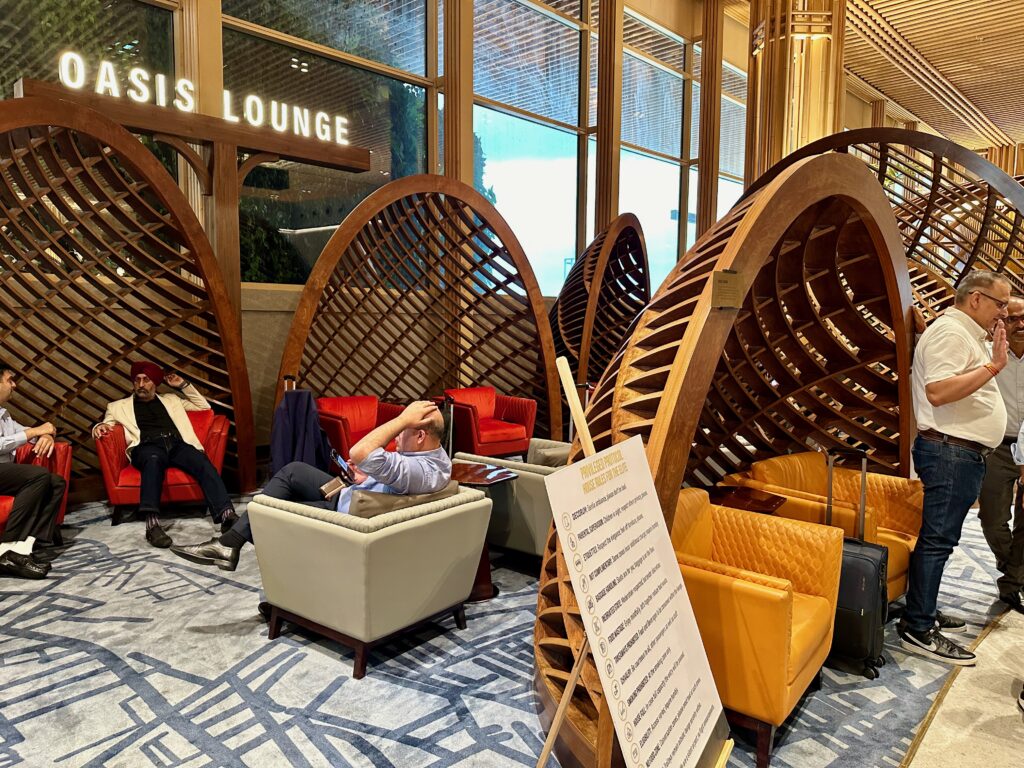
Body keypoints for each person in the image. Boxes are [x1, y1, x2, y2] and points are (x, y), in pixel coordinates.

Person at [170, 400, 450, 572]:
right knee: (292, 472)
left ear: (421, 435)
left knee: (274, 509)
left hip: (349, 512)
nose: (397, 435)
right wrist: (370, 479)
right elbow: (387, 475)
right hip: (356, 493)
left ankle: (231, 547)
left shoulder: (418, 470)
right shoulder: (434, 459)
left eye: (403, 431)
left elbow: (358, 452)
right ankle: (229, 545)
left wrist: (401, 419)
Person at [899, 270, 1012, 665]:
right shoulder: (951, 332)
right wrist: (994, 366)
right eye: (1000, 303)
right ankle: (918, 627)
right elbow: (938, 392)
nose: (1004, 312)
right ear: (976, 299)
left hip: (960, 452)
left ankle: (922, 609)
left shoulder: (962, 333)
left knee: (940, 539)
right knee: (938, 540)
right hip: (950, 452)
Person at [92, 361, 236, 549]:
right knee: (153, 460)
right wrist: (99, 426)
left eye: (146, 380)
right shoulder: (118, 406)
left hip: (176, 444)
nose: (141, 384)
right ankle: (152, 525)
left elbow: (203, 406)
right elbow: (107, 424)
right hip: (146, 446)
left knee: (201, 461)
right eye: (137, 380)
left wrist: (183, 385)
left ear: (156, 383)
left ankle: (227, 515)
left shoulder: (172, 399)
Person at [978, 295, 1024, 614]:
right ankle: (1014, 568)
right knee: (992, 517)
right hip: (996, 445)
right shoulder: (987, 353)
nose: (1020, 325)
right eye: (1013, 318)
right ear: (1001, 320)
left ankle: (1011, 586)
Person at [0, 363, 66, 579]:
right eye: (10, 380)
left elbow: (35, 432)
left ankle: (21, 550)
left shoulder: (4, 415)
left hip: (4, 470)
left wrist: (47, 435)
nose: (14, 385)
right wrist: (38, 431)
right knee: (38, 476)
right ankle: (5, 548)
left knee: (57, 482)